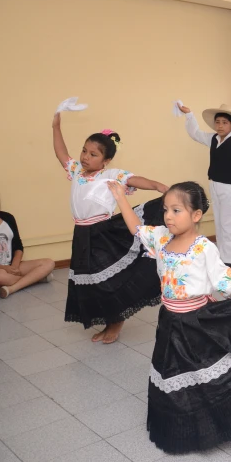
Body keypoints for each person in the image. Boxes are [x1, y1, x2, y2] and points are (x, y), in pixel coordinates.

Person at [108, 180, 231, 454]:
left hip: (196, 320)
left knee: (199, 372)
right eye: (166, 209)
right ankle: (180, 424)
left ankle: (212, 419)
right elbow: (135, 228)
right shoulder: (162, 237)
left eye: (176, 210)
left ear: (196, 215)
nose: (168, 216)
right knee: (170, 370)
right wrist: (120, 197)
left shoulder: (203, 248)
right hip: (169, 320)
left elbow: (224, 278)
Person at [53, 111, 167, 344]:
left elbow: (134, 180)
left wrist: (156, 185)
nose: (85, 157)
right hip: (82, 235)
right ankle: (107, 321)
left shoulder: (110, 175)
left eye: (93, 154)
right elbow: (61, 153)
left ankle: (116, 322)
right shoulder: (76, 171)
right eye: (84, 150)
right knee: (92, 280)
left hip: (104, 234)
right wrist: (56, 127)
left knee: (109, 281)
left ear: (105, 161)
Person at [177, 103, 231, 271]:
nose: (220, 126)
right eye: (217, 122)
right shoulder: (213, 139)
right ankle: (221, 257)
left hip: (230, 188)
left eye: (224, 122)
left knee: (228, 224)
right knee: (219, 223)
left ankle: (229, 261)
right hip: (215, 184)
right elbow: (195, 134)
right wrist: (189, 114)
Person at [0, 184, 55, 298]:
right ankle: (37, 279)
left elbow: (18, 246)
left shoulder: (7, 218)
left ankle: (11, 288)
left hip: (11, 265)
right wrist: (5, 268)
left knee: (48, 263)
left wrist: (14, 266)